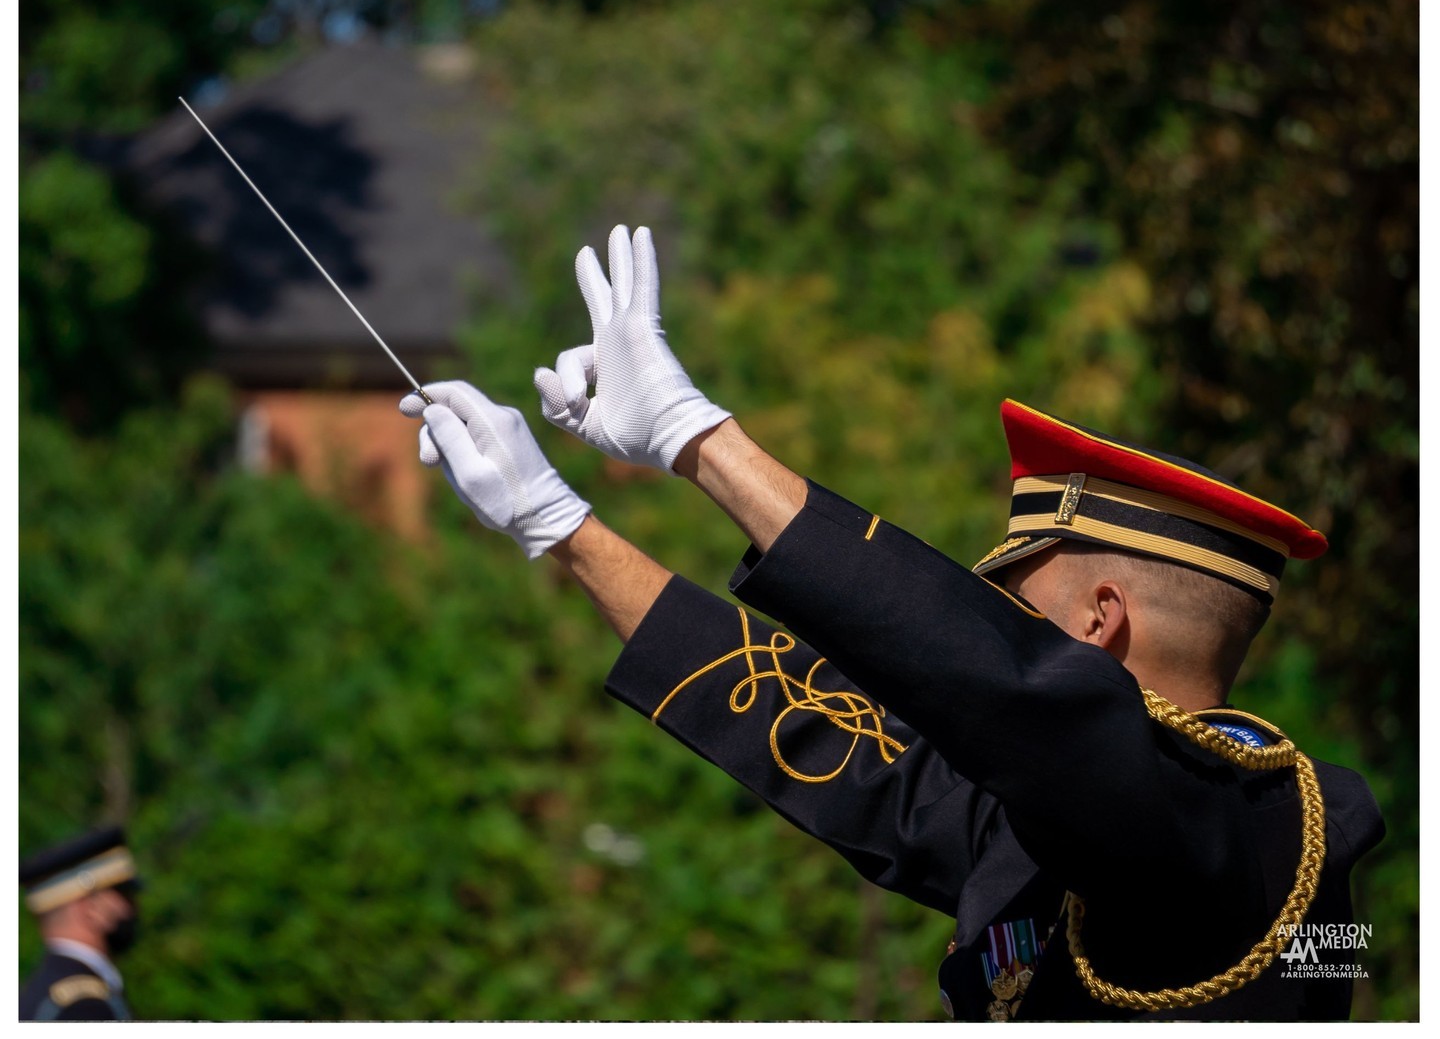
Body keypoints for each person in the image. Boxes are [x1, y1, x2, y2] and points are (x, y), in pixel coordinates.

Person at [400, 224, 1384, 1022]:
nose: (991, 626)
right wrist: (560, 523)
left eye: (1017, 610)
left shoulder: (1235, 826)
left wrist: (695, 436)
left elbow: (991, 679)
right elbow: (833, 740)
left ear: (1100, 621)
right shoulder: (1076, 819)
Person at [19, 826, 141, 1021]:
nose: (130, 908)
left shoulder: (40, 992)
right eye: (122, 895)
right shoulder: (84, 1006)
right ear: (89, 907)